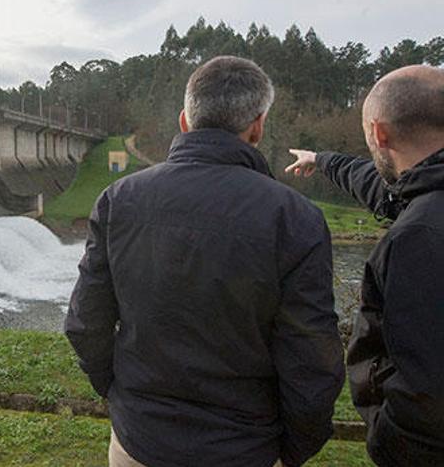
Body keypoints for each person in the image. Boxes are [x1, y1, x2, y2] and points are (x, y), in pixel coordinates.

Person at [65, 55, 344, 467]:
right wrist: (292, 449)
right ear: (257, 126)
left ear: (184, 120)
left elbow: (85, 322)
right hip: (245, 447)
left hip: (139, 442)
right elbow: (313, 359)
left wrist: (123, 398)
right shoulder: (294, 216)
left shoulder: (119, 200)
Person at [286, 64, 444, 466]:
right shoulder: (427, 198)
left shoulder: (420, 238)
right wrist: (322, 160)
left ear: (378, 134)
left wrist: (386, 438)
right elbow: (391, 190)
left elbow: (425, 397)